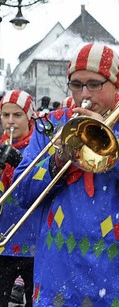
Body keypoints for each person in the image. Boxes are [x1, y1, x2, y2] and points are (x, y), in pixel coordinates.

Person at [13, 43, 119, 305]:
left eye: (94, 84)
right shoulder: (51, 126)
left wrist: (112, 141)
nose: (84, 93)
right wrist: (57, 160)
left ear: (115, 85)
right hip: (62, 274)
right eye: (76, 84)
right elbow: (21, 193)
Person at [0, 90, 37, 307]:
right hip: (3, 242)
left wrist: (20, 162)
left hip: (34, 243)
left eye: (17, 115)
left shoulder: (40, 146)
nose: (10, 121)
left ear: (29, 116)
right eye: (5, 115)